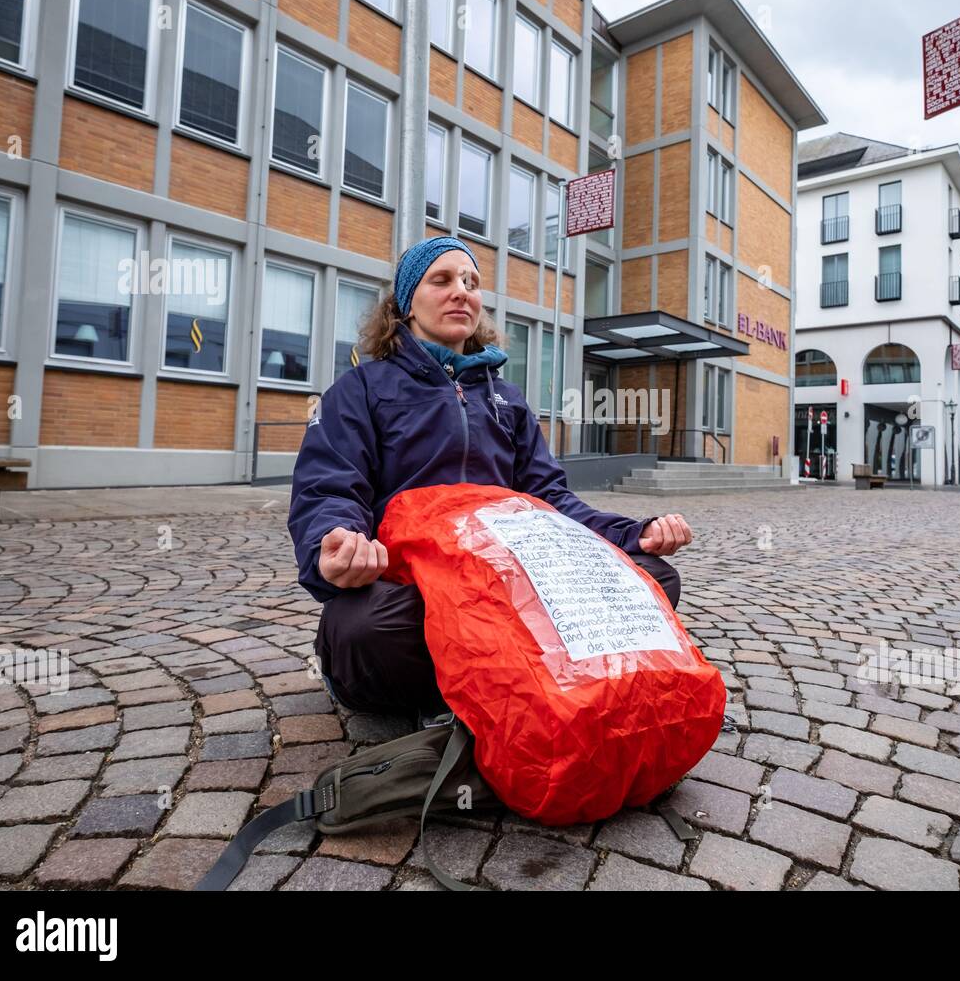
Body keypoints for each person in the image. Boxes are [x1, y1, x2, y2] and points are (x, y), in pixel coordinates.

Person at [288, 236, 693, 720]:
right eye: (441, 280)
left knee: (653, 578)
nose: (461, 291)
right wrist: (336, 544)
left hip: (503, 579)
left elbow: (549, 498)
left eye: (471, 282)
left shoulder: (507, 398)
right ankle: (469, 687)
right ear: (405, 304)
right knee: (365, 628)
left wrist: (633, 534)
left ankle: (507, 681)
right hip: (415, 580)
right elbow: (330, 486)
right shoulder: (360, 390)